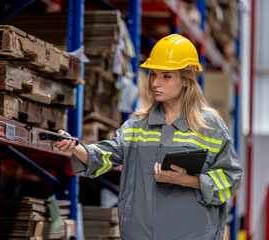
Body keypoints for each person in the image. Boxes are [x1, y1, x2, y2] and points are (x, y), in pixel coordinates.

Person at [52, 34, 242, 240]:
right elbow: (105, 156)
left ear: (185, 80)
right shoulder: (138, 125)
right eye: (153, 74)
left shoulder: (209, 126)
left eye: (166, 76)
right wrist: (74, 146)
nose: (155, 83)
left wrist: (189, 180)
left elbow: (230, 178)